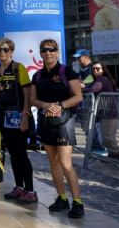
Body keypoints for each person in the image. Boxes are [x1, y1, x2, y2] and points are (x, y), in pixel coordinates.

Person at [30, 39, 84, 219]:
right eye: (44, 50)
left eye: (51, 50)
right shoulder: (37, 76)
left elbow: (77, 97)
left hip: (64, 123)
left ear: (57, 52)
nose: (48, 53)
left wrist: (60, 106)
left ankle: (77, 202)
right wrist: (45, 105)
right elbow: (33, 100)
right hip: (46, 122)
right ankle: (62, 198)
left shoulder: (67, 71)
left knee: (65, 163)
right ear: (40, 53)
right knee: (52, 163)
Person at [0, 38, 37, 204]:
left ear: (11, 51)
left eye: (5, 50)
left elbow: (27, 94)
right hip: (2, 119)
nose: (2, 53)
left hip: (17, 117)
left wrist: (25, 115)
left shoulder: (19, 68)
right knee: (12, 155)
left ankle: (30, 190)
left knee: (21, 154)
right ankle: (19, 187)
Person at [88, 62, 119, 161]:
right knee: (106, 137)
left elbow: (93, 89)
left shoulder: (103, 79)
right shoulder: (95, 78)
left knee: (108, 137)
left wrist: (81, 88)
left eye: (97, 68)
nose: (95, 71)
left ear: (103, 69)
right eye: (93, 69)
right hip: (103, 112)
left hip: (108, 112)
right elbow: (83, 83)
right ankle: (112, 155)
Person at [73, 49, 105, 155]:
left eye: (79, 57)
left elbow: (85, 83)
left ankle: (98, 148)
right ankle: (92, 147)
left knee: (93, 125)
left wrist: (80, 84)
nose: (77, 60)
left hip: (94, 102)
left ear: (86, 56)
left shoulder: (94, 67)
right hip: (85, 102)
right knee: (87, 125)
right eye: (76, 58)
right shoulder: (82, 69)